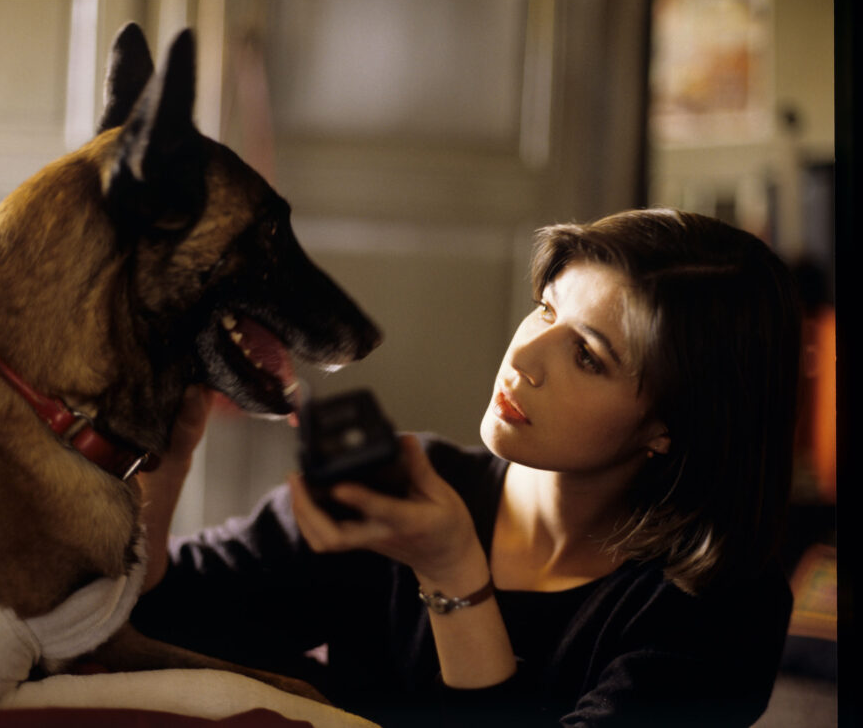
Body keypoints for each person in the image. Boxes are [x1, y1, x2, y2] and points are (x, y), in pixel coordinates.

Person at [132, 208, 802, 727]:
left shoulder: (723, 604)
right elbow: (157, 610)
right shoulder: (407, 485)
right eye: (545, 307)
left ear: (670, 425)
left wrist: (452, 572)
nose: (526, 358)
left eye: (588, 355)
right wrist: (168, 444)